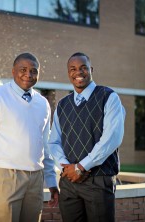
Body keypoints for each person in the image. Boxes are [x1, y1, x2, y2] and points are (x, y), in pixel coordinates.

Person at [0, 52, 59, 222]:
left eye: (33, 71)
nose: (28, 75)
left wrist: (52, 181)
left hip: (35, 179)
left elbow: (45, 145)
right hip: (4, 176)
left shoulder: (42, 103)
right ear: (13, 71)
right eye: (23, 69)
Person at [48, 52, 125, 222]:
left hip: (98, 180)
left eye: (83, 68)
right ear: (69, 73)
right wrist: (67, 168)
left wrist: (81, 167)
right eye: (73, 69)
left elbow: (112, 138)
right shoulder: (63, 105)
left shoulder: (108, 97)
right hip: (69, 182)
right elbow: (53, 142)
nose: (78, 72)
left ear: (91, 70)